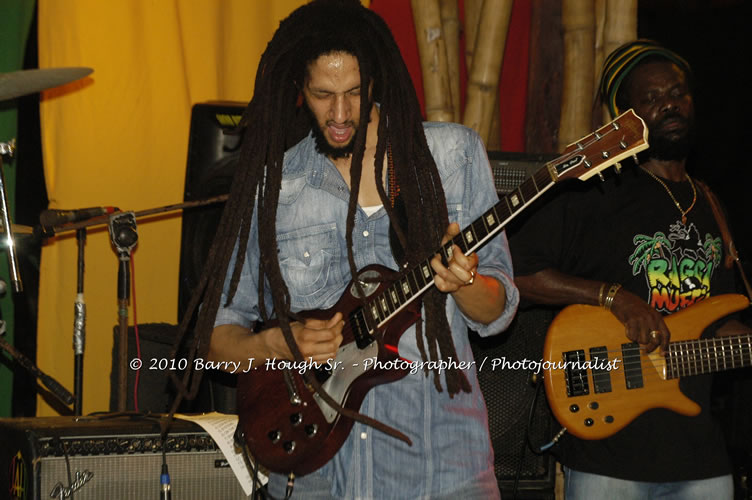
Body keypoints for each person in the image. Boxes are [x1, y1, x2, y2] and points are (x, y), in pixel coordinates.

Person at [182, 1, 519, 498]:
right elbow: (216, 340)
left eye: (354, 93)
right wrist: (278, 344)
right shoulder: (275, 188)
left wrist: (464, 281)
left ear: (377, 83)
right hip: (317, 476)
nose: (340, 115)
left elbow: (499, 310)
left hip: (442, 475)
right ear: (299, 89)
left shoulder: (452, 156)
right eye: (323, 95)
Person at [509, 39, 750, 499]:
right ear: (625, 117)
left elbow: (718, 323)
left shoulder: (711, 205)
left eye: (677, 93)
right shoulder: (595, 192)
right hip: (609, 458)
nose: (669, 105)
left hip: (701, 458)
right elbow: (514, 274)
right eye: (651, 98)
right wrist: (614, 297)